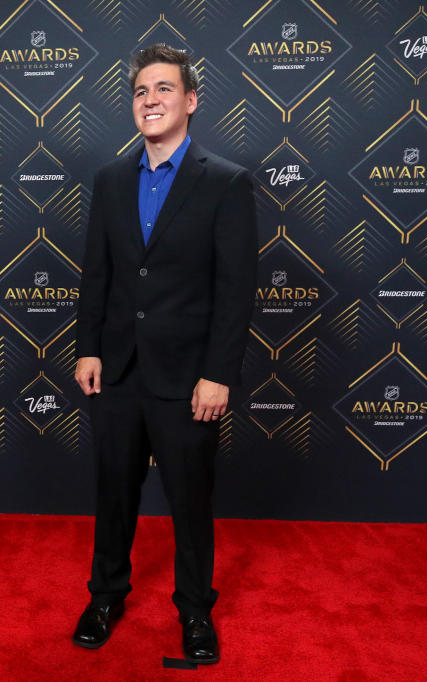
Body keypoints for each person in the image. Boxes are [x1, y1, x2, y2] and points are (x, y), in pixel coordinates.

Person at [71, 43, 258, 664]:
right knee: (113, 495)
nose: (150, 100)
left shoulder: (226, 183)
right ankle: (105, 598)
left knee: (190, 500)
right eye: (141, 91)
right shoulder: (109, 180)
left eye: (164, 90)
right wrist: (88, 348)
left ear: (192, 101)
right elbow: (96, 274)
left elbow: (236, 292)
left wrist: (218, 376)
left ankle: (196, 611)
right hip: (118, 371)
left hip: (188, 380)